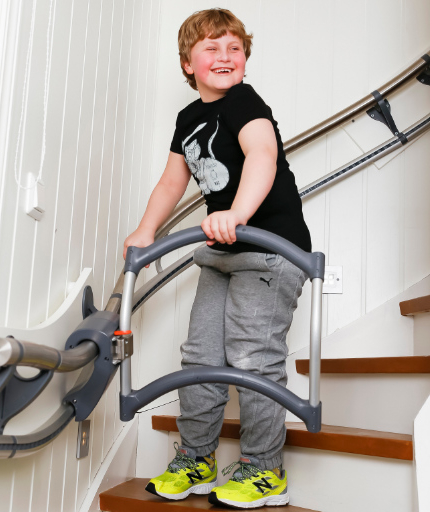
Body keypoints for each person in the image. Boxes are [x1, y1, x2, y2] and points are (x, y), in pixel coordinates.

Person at [122, 8, 311, 509]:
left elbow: (262, 155)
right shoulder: (188, 119)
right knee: (201, 357)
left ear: (245, 58)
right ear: (188, 63)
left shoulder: (246, 102)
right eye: (211, 48)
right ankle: (196, 458)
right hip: (222, 253)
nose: (225, 56)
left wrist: (238, 213)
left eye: (234, 48)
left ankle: (264, 469)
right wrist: (145, 230)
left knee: (253, 357)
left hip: (270, 250)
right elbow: (172, 181)